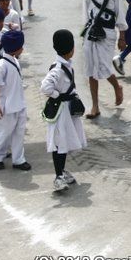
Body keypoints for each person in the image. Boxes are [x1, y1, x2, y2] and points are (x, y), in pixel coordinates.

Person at [41, 29, 87, 192]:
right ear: (71, 49)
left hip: (67, 112)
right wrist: (58, 96)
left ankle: (61, 171)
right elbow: (45, 87)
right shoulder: (58, 69)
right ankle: (58, 177)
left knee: (64, 141)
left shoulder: (66, 65)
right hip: (61, 112)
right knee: (59, 143)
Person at [83, 0, 128, 119]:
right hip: (90, 33)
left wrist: (122, 37)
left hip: (107, 34)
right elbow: (85, 15)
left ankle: (117, 86)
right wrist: (85, 36)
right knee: (90, 69)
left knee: (104, 66)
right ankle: (95, 106)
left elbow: (120, 14)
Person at [0, 30, 31, 171]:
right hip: (7, 107)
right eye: (21, 46)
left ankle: (18, 159)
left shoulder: (15, 61)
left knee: (19, 133)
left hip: (19, 104)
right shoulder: (2, 64)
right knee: (3, 133)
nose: (22, 49)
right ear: (15, 48)